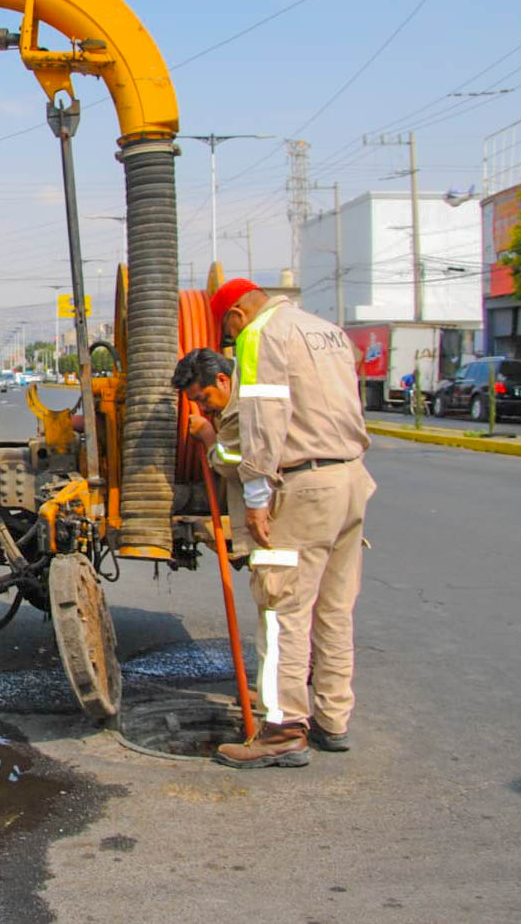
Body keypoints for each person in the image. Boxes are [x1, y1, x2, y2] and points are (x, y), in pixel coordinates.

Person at [207, 278, 375, 770]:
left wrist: (256, 494)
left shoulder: (260, 335)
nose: (231, 340)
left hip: (301, 488)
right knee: (335, 609)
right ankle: (332, 720)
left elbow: (264, 417)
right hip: (350, 479)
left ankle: (281, 730)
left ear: (237, 314)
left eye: (227, 331)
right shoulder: (328, 331)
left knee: (282, 609)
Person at [171, 348, 251, 560]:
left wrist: (208, 436)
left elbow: (232, 465)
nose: (202, 407)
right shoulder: (246, 380)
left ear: (222, 380)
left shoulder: (241, 409)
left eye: (204, 398)